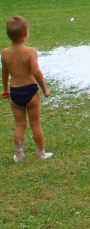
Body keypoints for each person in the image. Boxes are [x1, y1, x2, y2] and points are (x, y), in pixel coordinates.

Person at [2, 16, 53, 162]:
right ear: (26, 34)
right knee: (35, 124)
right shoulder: (31, 51)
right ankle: (41, 153)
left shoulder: (4, 53)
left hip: (15, 92)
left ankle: (19, 154)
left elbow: (4, 73)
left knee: (19, 124)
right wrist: (44, 89)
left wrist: (6, 89)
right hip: (30, 91)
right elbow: (36, 72)